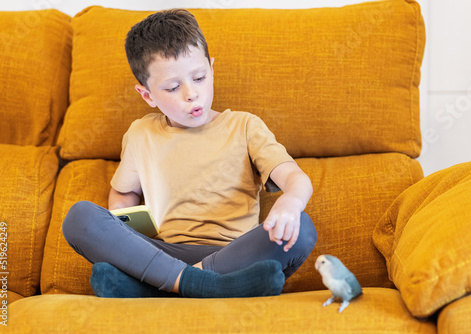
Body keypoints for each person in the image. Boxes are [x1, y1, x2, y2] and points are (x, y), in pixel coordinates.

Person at [63, 9, 317, 299]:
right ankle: (202, 286)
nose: (191, 94)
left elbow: (295, 178)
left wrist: (291, 202)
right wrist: (127, 223)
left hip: (232, 254)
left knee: (303, 230)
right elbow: (123, 195)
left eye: (199, 78)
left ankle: (161, 289)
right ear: (147, 96)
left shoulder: (245, 126)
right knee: (80, 217)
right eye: (173, 87)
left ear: (211, 68)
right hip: (161, 253)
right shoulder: (140, 134)